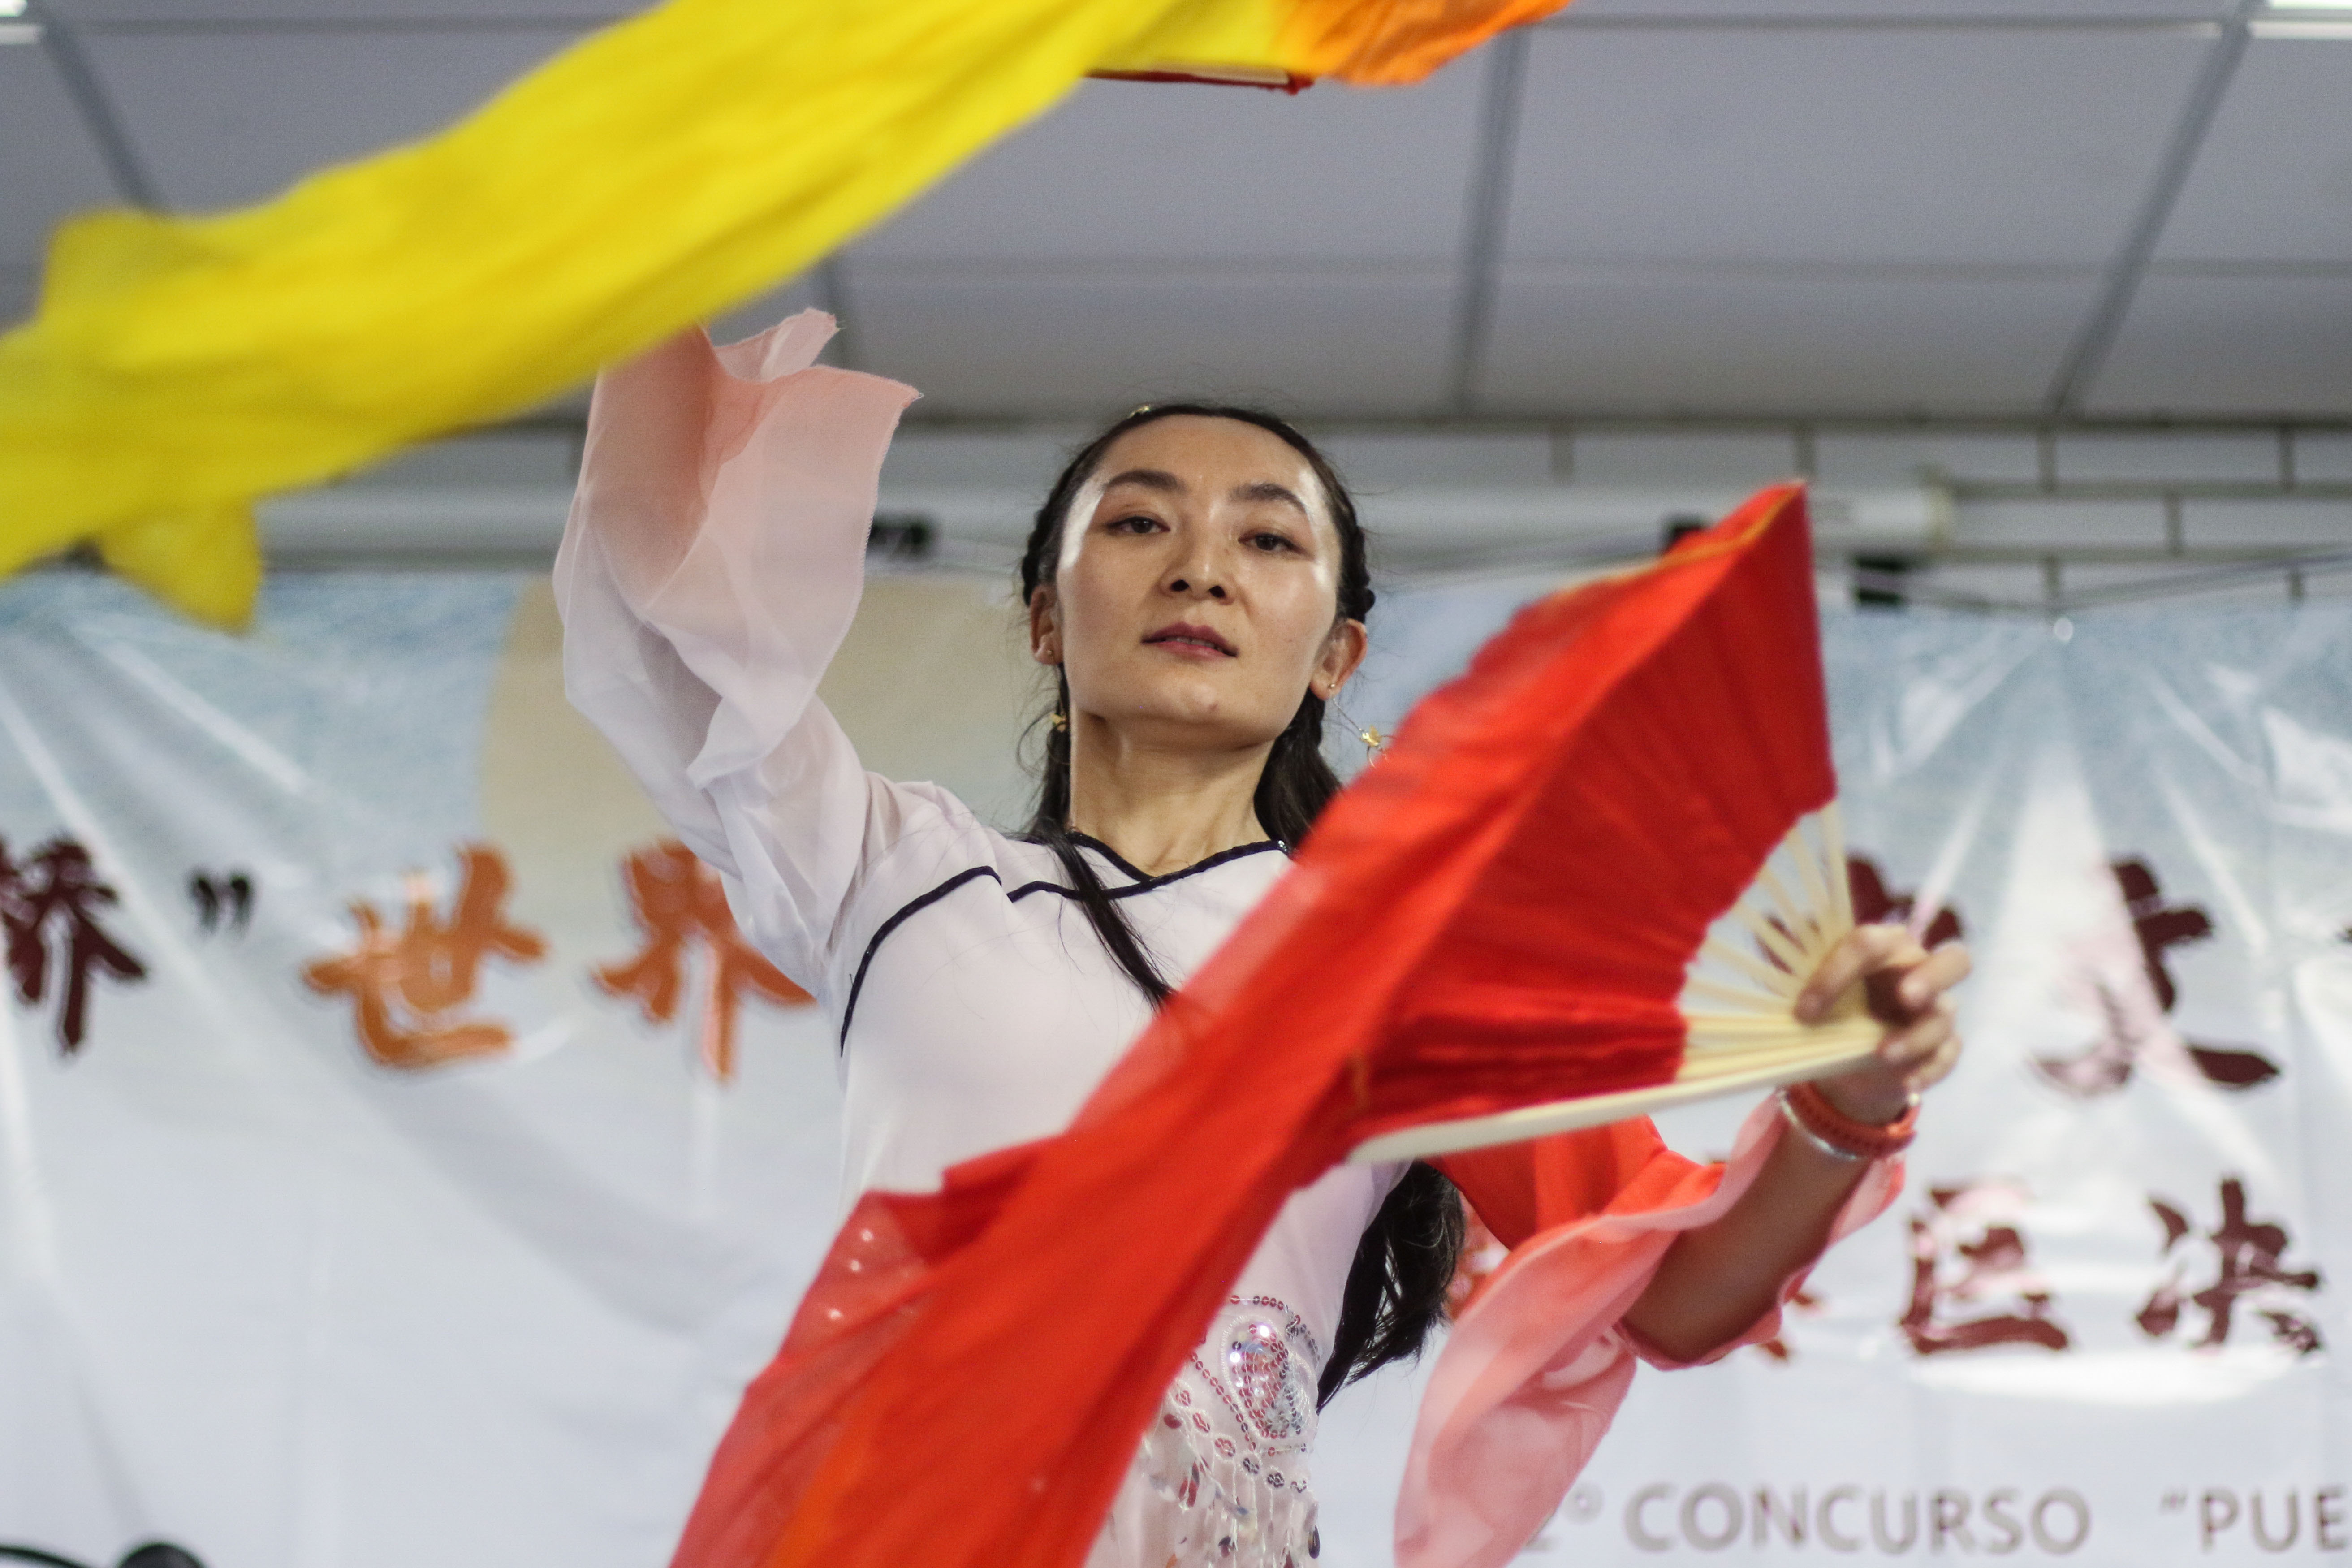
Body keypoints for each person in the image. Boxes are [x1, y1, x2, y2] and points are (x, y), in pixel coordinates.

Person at [557, 311, 1970, 1568]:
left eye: (1268, 539)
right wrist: (653, 242)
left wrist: (1852, 1099)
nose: (1200, 570)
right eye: (1136, 524)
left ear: (1335, 655)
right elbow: (664, 602)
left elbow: (1670, 1288)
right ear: (1046, 619)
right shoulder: (887, 869)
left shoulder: (1395, 970)